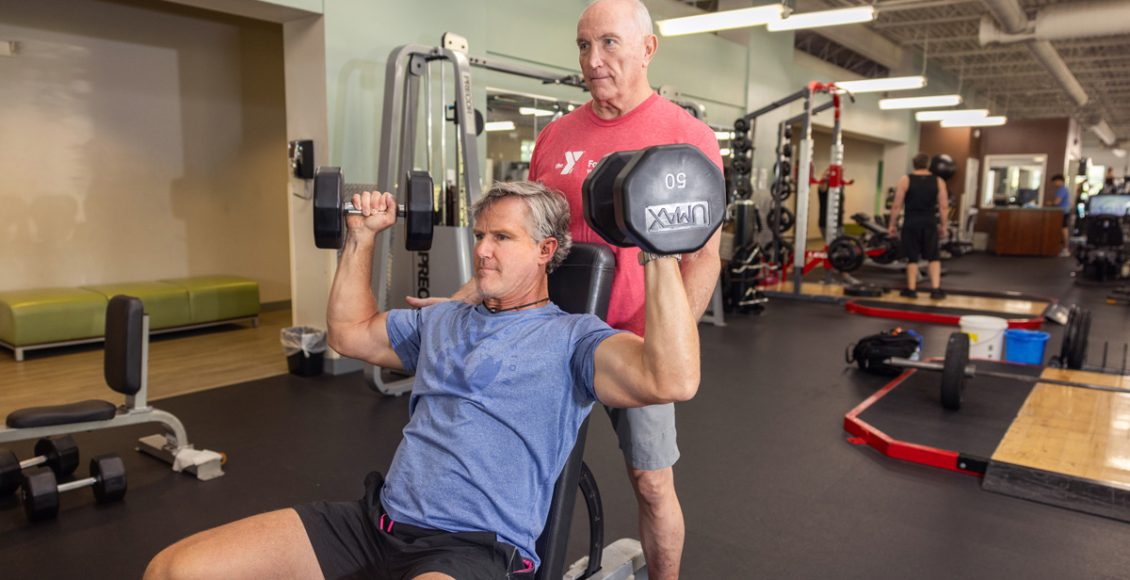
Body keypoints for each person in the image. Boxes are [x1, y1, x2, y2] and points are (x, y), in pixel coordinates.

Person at [143, 181, 703, 580]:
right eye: (480, 234)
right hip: (375, 522)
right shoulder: (443, 318)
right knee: (174, 569)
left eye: (501, 238)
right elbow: (348, 333)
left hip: (470, 549)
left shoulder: (574, 339)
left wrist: (656, 251)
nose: (481, 250)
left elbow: (671, 379)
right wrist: (362, 237)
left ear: (545, 250)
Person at [410, 2, 720, 577]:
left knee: (652, 483)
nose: (593, 59)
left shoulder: (687, 136)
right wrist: (458, 303)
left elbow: (703, 256)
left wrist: (669, 345)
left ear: (647, 49)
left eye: (609, 43)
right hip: (547, 339)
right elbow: (520, 243)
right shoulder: (555, 136)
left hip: (632, 343)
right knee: (522, 477)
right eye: (583, 45)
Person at [888, 152, 949, 300]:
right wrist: (944, 226)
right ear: (928, 165)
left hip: (911, 223)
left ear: (914, 164)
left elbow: (896, 205)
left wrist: (892, 224)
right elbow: (943, 207)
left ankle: (911, 290)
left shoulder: (905, 180)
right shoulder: (938, 181)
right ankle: (936, 290)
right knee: (934, 257)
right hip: (929, 223)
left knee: (912, 257)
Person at [1050, 174, 1072, 257]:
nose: (1054, 184)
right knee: (1064, 230)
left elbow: (1056, 202)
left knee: (1064, 230)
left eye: (1054, 182)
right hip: (1063, 211)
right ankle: (1065, 248)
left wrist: (1050, 203)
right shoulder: (1063, 189)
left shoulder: (1062, 190)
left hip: (1063, 212)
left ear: (1059, 181)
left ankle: (1066, 248)